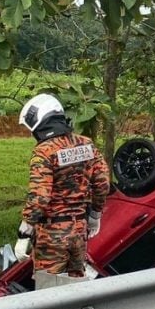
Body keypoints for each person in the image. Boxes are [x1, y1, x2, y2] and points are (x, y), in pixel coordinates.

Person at [14, 93, 110, 278]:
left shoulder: (44, 151)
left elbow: (40, 196)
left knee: (49, 289)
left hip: (52, 234)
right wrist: (95, 215)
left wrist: (24, 232)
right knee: (75, 287)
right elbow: (102, 183)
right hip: (79, 231)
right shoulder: (86, 144)